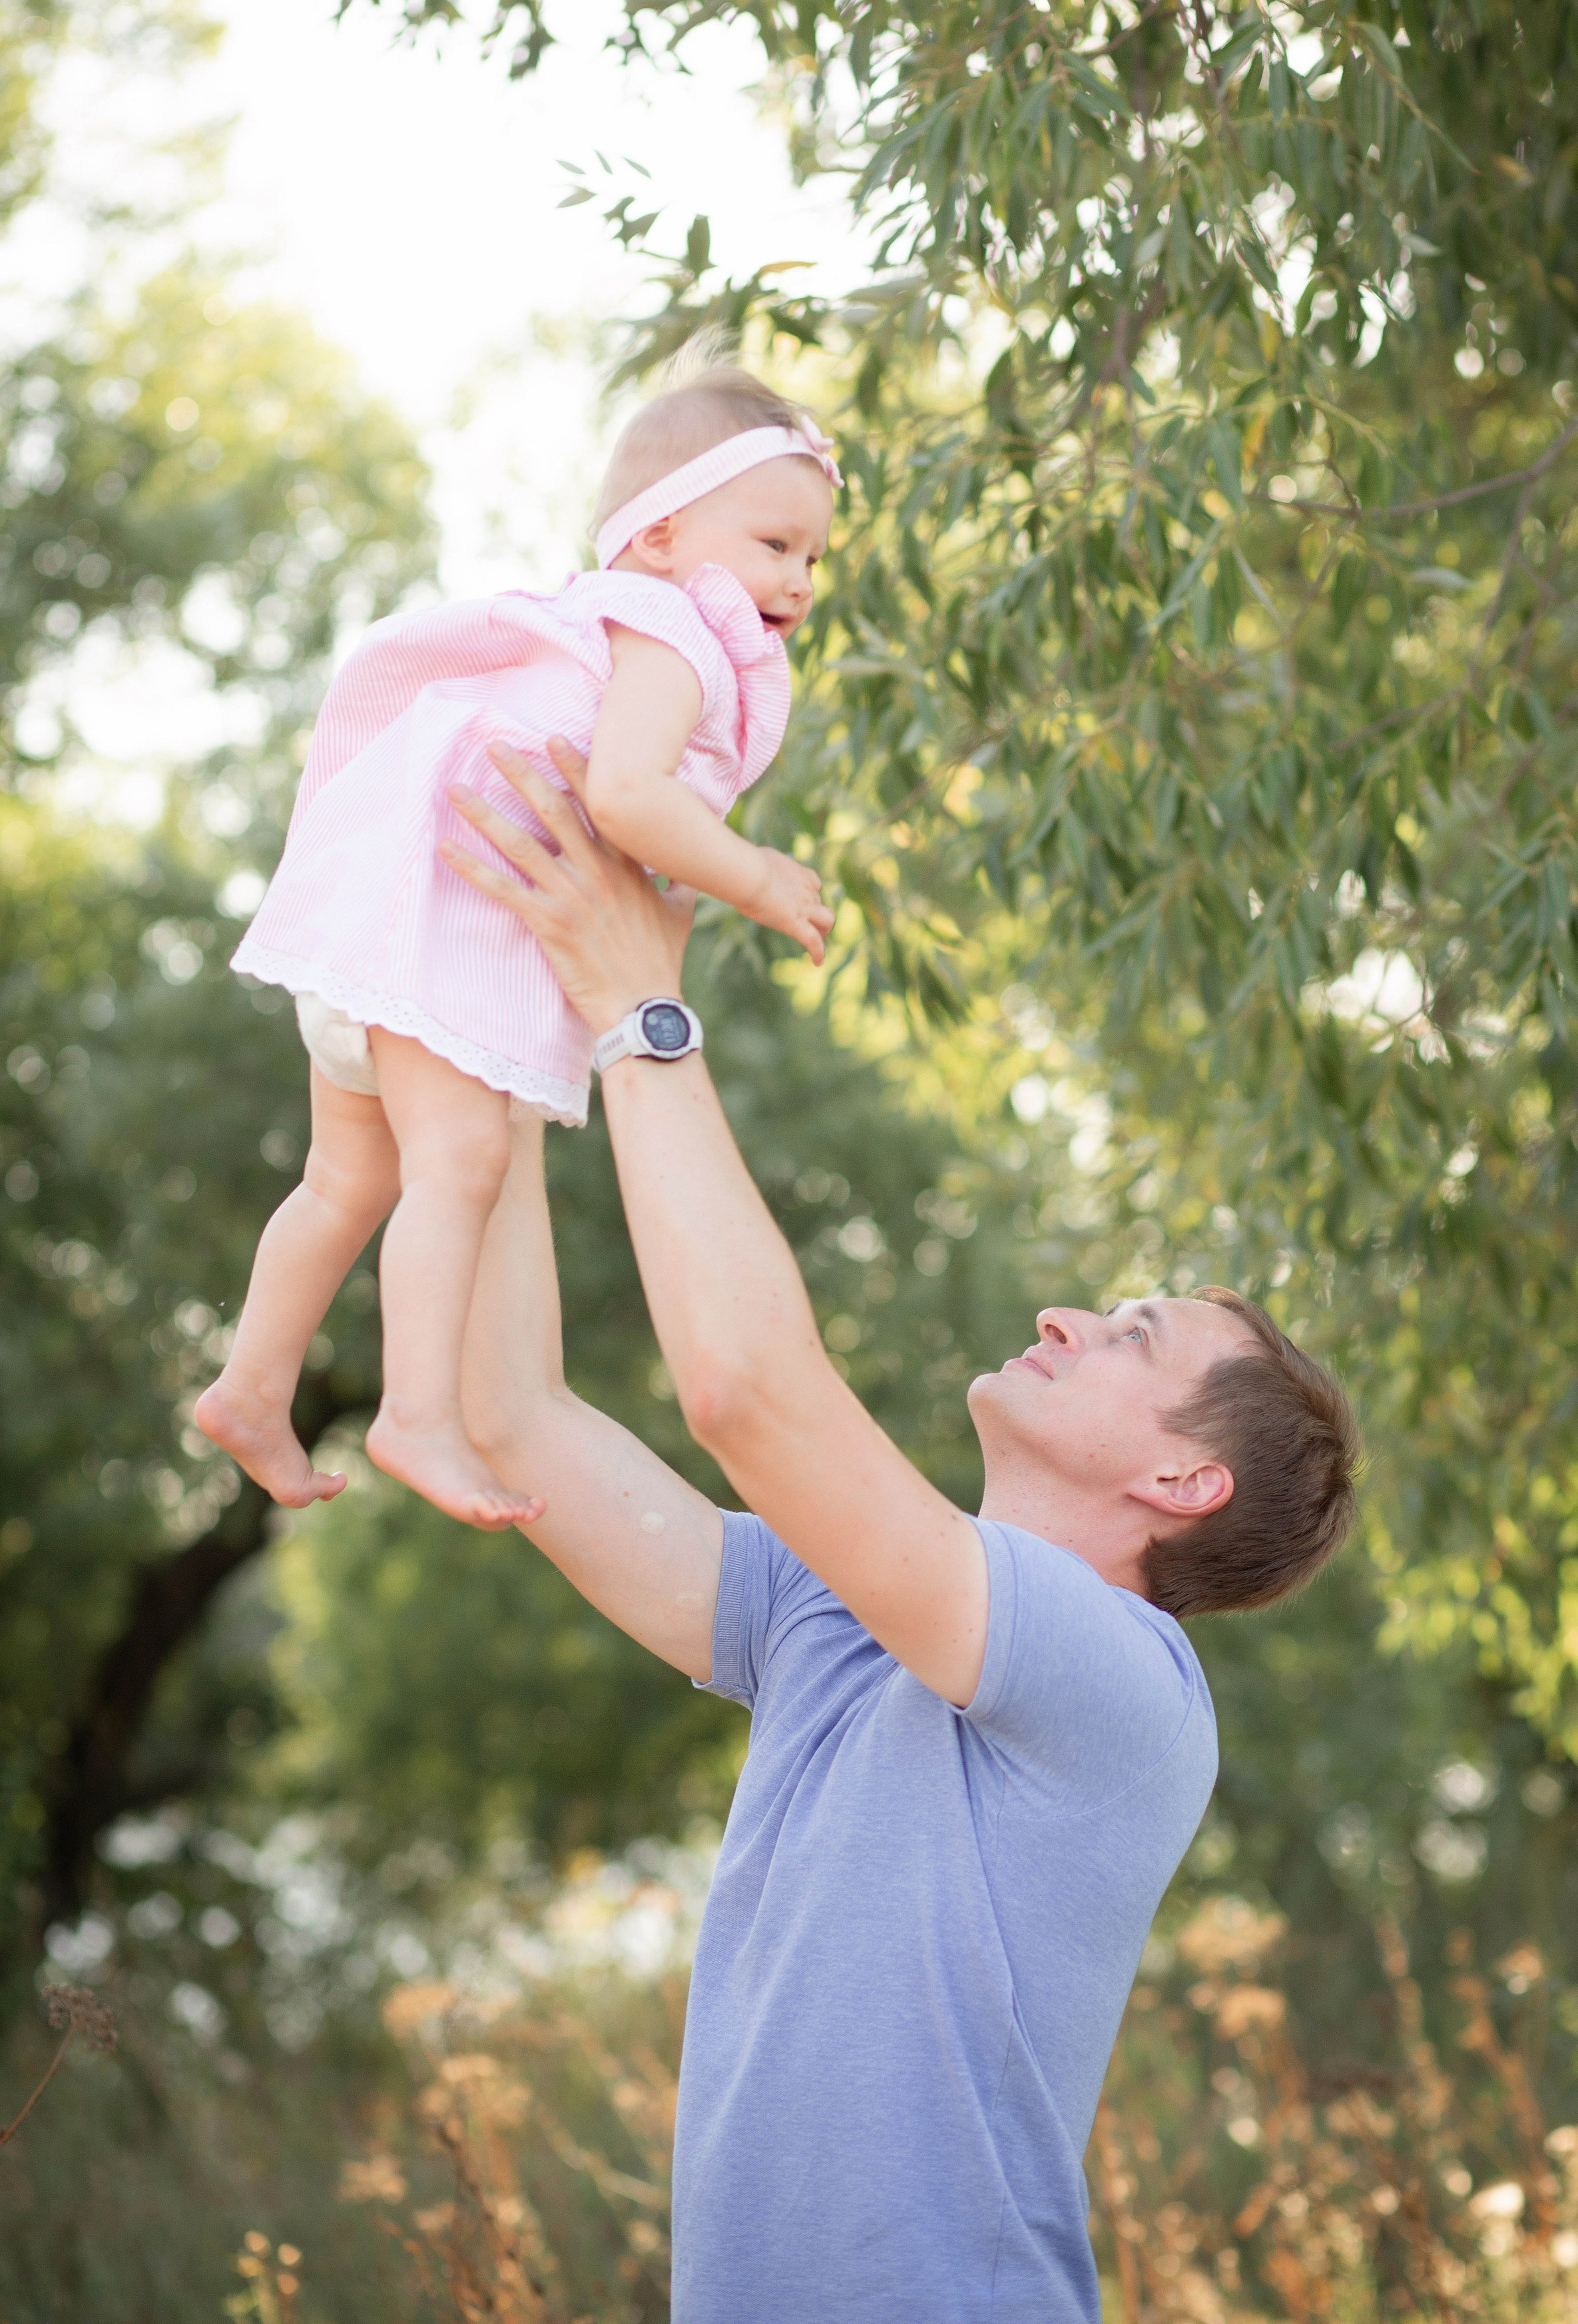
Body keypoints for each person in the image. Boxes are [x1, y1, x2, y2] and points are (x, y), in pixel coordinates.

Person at [441, 738, 1363, 2324]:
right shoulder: (824, 1613)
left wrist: (634, 1011)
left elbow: (743, 1391)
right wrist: (497, 1054)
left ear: (1180, 1485)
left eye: (1131, 1333)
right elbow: (514, 1423)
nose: (1068, 1315)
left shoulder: (1122, 1681)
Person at [197, 359, 836, 1532]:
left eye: (811, 560)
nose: (797, 579)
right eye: (774, 544)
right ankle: (417, 1413)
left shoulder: (619, 626)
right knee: (462, 1168)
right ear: (655, 538)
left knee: (345, 1181)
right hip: (441, 945)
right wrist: (756, 877)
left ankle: (250, 1383)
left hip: (383, 936)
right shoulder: (670, 631)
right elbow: (631, 798)